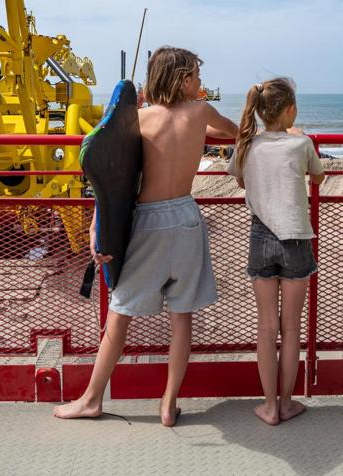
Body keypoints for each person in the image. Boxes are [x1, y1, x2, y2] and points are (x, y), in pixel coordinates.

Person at [55, 46, 239, 426]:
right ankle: (168, 405)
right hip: (187, 217)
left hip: (150, 221)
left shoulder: (139, 120)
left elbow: (112, 178)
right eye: (197, 76)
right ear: (184, 79)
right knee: (181, 316)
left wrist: (97, 227)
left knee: (120, 312)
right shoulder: (202, 111)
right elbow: (235, 132)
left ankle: (92, 399)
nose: (201, 83)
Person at [227, 78, 325, 425]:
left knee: (266, 329)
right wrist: (297, 137)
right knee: (291, 328)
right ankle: (286, 402)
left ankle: (269, 407)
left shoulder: (247, 145)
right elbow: (318, 176)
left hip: (260, 236)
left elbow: (240, 180)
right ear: (290, 110)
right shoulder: (301, 144)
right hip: (296, 238)